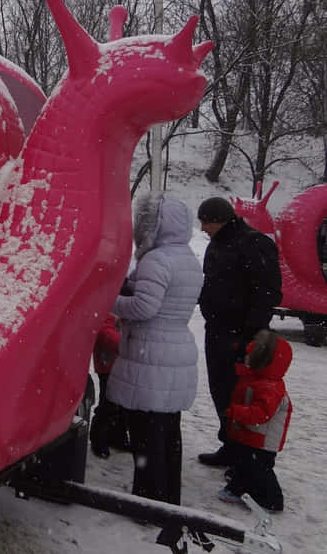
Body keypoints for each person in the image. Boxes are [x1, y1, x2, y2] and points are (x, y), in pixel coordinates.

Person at [107, 193, 203, 505]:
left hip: (152, 353)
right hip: (174, 350)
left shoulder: (157, 260)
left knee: (146, 432)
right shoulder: (186, 257)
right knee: (167, 431)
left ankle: (147, 498)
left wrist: (109, 301)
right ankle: (166, 494)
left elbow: (144, 307)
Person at [196, 197, 282, 468]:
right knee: (220, 390)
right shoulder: (218, 244)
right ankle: (230, 445)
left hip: (241, 334)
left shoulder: (254, 243)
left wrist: (252, 333)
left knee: (241, 393)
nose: (202, 229)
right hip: (218, 329)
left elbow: (268, 291)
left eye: (206, 222)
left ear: (219, 219)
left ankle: (246, 455)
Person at [218, 329, 292, 512]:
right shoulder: (255, 379)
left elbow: (262, 414)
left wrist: (237, 412)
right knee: (243, 462)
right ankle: (238, 488)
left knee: (259, 469)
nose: (245, 358)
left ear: (263, 362)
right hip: (250, 435)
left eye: (250, 356)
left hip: (262, 441)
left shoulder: (270, 387)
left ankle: (271, 499)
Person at [89, 313, 130, 458]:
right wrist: (126, 343)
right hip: (109, 364)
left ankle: (117, 436)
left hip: (122, 363)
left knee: (123, 406)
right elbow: (104, 332)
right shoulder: (107, 307)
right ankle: (98, 438)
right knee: (108, 404)